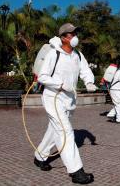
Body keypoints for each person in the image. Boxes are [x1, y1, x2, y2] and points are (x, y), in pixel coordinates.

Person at [34, 23, 97, 184]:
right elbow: (42, 77)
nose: (74, 36)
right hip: (53, 98)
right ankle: (76, 171)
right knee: (65, 131)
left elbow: (85, 71)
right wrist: (60, 84)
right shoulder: (54, 54)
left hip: (69, 100)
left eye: (75, 33)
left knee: (54, 130)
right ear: (63, 37)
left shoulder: (78, 55)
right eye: (71, 34)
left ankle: (39, 157)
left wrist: (89, 82)